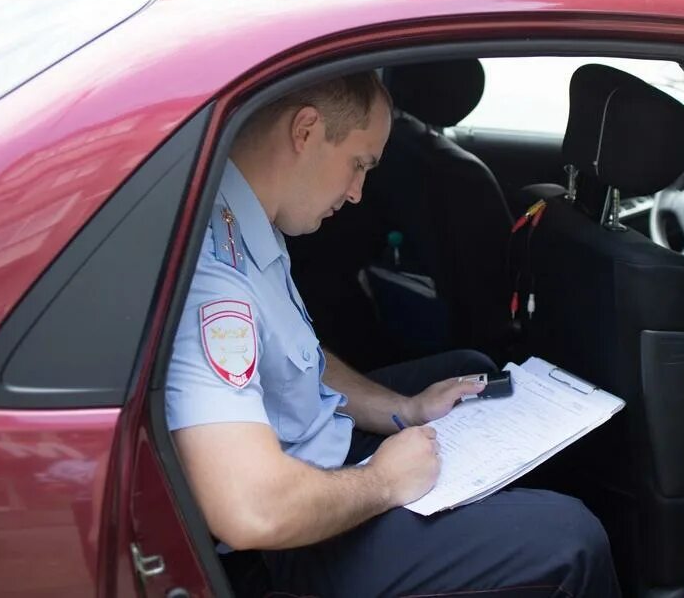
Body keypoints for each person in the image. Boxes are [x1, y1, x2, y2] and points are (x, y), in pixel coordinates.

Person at [166, 72, 619, 597]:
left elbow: (297, 358)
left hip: (317, 453)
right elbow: (252, 510)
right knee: (572, 539)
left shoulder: (245, 214)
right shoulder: (212, 279)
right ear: (306, 131)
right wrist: (383, 481)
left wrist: (405, 410)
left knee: (475, 375)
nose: (358, 193)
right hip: (295, 540)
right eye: (358, 164)